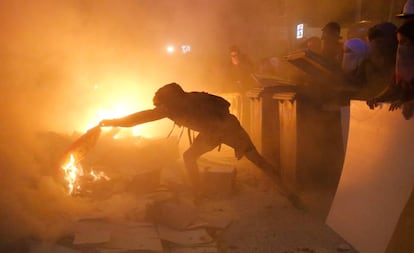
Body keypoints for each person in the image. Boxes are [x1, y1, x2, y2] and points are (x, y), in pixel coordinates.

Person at [99, 83, 302, 208]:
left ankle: (198, 193)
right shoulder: (189, 98)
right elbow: (224, 105)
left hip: (225, 130)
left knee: (255, 160)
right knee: (193, 157)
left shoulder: (173, 107)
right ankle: (290, 194)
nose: (159, 108)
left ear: (168, 101)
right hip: (224, 129)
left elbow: (139, 118)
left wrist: (112, 122)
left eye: (160, 104)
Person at [367, 0, 414, 119]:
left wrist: (411, 103)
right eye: (400, 42)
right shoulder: (403, 62)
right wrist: (379, 98)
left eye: (406, 42)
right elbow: (394, 86)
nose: (402, 46)